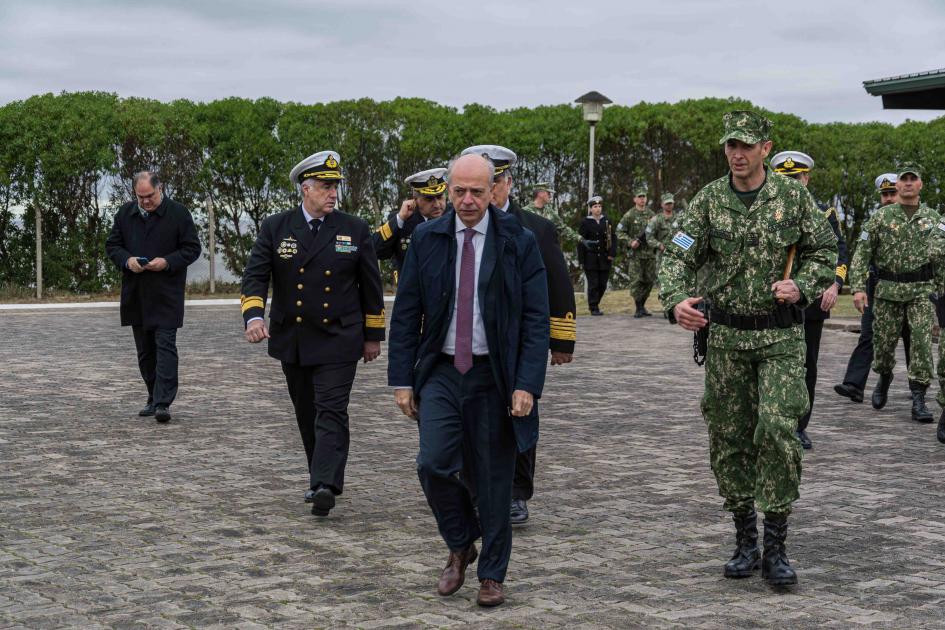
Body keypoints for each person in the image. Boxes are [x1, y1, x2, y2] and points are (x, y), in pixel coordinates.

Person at [659, 110, 837, 587]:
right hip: (727, 340)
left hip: (779, 337)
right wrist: (676, 300)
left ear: (765, 147)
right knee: (730, 435)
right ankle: (745, 539)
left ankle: (777, 544)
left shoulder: (793, 198)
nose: (736, 154)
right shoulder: (709, 201)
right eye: (730, 146)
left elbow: (825, 251)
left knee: (778, 431)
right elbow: (677, 253)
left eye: (745, 145)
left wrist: (802, 283)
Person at [388, 153, 549, 607]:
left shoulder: (517, 240)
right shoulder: (427, 238)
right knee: (432, 463)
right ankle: (461, 543)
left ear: (494, 189)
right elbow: (407, 312)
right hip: (440, 370)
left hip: (494, 375)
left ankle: (493, 574)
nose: (467, 200)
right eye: (459, 191)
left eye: (478, 191)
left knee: (495, 478)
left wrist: (526, 384)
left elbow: (536, 318)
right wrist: (401, 379)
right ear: (448, 188)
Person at [240, 150, 386, 517]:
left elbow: (371, 286)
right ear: (305, 189)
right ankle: (318, 474)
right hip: (296, 338)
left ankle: (325, 484)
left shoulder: (354, 229)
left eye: (335, 186)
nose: (333, 193)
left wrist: (373, 336)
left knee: (331, 408)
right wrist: (254, 317)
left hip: (340, 337)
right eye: (324, 186)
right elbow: (256, 275)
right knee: (306, 411)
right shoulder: (277, 227)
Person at [460, 145, 576, 526]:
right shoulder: (458, 225)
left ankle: (516, 492)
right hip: (473, 341)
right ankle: (475, 488)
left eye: (491, 184)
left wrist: (561, 340)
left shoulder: (535, 229)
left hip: (519, 342)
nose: (483, 193)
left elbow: (558, 284)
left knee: (520, 413)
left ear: (506, 184)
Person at [105, 171, 201, 424]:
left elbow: (192, 248)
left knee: (165, 347)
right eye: (141, 197)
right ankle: (152, 395)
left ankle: (162, 402)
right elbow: (112, 246)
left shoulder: (179, 213)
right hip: (136, 293)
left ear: (161, 189)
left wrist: (167, 262)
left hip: (167, 293)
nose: (146, 201)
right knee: (145, 352)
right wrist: (128, 261)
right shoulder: (125, 214)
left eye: (150, 196)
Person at [769, 151, 848, 450]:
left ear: (806, 179)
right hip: (774, 299)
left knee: (807, 364)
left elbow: (839, 250)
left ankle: (800, 425)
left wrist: (835, 284)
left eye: (796, 178)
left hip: (812, 299)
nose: (791, 184)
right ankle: (774, 422)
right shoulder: (767, 210)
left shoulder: (823, 212)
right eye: (784, 179)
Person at [849, 164, 938, 424]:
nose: (908, 183)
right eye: (904, 179)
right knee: (883, 346)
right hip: (887, 292)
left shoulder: (933, 219)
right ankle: (884, 375)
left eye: (913, 179)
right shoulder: (880, 219)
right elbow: (861, 254)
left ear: (920, 185)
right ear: (897, 185)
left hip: (921, 292)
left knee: (921, 344)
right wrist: (856, 287)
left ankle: (919, 397)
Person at [834, 174, 910, 403]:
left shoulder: (918, 219)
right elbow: (860, 258)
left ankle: (918, 390)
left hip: (910, 289)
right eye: (884, 195)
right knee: (868, 335)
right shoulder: (873, 222)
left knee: (913, 339)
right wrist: (858, 287)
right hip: (877, 287)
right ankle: (854, 384)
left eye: (892, 194)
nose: (887, 199)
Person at [374, 167, 447, 282]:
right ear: (415, 199)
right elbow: (376, 250)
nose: (437, 205)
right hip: (412, 292)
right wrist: (400, 219)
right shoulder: (402, 221)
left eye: (440, 197)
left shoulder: (455, 216)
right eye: (429, 199)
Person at [617, 187, 656, 318]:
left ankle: (643, 305)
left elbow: (657, 230)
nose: (642, 199)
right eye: (639, 197)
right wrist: (630, 242)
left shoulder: (651, 214)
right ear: (634, 199)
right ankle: (638, 307)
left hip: (650, 254)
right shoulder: (629, 215)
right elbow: (619, 232)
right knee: (636, 281)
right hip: (636, 255)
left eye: (644, 197)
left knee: (649, 281)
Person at [578, 196, 616, 316]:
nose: (598, 209)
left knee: (602, 284)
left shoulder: (606, 220)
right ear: (590, 209)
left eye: (599, 206)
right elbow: (581, 241)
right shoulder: (585, 222)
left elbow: (613, 238)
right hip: (591, 258)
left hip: (605, 258)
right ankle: (593, 307)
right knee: (593, 284)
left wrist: (611, 253)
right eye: (595, 207)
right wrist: (581, 260)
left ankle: (596, 303)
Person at [645, 193, 678, 263]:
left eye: (670, 203)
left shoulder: (679, 218)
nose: (669, 205)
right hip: (662, 255)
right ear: (662, 204)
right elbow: (648, 237)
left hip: (677, 254)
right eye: (667, 203)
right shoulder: (655, 220)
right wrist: (659, 245)